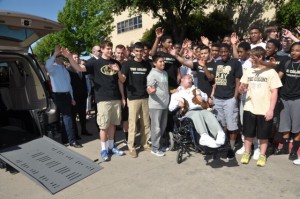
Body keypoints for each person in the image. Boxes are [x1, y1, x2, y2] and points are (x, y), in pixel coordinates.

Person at [62, 41, 125, 161]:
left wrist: (122, 96)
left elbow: (121, 81)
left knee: (113, 124)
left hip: (115, 98)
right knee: (103, 126)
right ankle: (104, 150)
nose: (110, 51)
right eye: (107, 48)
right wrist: (69, 57)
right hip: (103, 99)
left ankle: (112, 147)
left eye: (111, 48)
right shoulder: (95, 63)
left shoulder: (116, 63)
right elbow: (78, 68)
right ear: (102, 49)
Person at [239, 46, 282, 167]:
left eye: (253, 57)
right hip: (249, 107)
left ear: (260, 57)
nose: (251, 60)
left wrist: (271, 110)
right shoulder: (249, 71)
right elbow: (242, 88)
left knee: (263, 134)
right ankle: (247, 153)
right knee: (248, 133)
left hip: (264, 109)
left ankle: (262, 155)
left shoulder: (271, 72)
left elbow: (275, 92)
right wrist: (242, 89)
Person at [113, 42, 152, 158]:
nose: (139, 53)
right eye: (137, 51)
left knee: (146, 123)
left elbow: (150, 80)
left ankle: (145, 144)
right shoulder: (127, 64)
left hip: (145, 97)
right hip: (133, 98)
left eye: (141, 51)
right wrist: (118, 72)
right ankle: (131, 147)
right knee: (132, 124)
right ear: (133, 51)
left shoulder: (147, 65)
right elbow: (123, 80)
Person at [169, 75, 227, 149]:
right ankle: (204, 136)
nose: (191, 79)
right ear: (182, 79)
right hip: (188, 111)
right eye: (188, 78)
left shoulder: (195, 89)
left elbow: (205, 97)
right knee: (196, 114)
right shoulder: (177, 93)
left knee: (208, 113)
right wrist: (178, 104)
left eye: (191, 78)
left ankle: (219, 133)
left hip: (200, 109)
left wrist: (199, 94)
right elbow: (170, 108)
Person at [45, 45, 82, 148]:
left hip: (67, 96)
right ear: (55, 58)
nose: (60, 58)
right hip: (59, 96)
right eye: (58, 56)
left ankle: (66, 139)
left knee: (66, 118)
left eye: (61, 56)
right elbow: (47, 65)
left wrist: (72, 97)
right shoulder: (53, 68)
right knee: (68, 117)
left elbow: (68, 85)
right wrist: (55, 54)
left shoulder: (64, 69)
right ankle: (72, 140)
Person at [213, 43, 243, 151]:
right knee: (220, 124)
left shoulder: (235, 63)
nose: (223, 54)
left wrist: (235, 97)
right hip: (218, 98)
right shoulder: (217, 63)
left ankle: (231, 146)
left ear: (229, 52)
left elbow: (237, 80)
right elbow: (215, 80)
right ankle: (222, 144)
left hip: (230, 98)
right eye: (221, 52)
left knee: (232, 125)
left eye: (225, 51)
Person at [276, 42, 300, 163]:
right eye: (292, 50)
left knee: (297, 127)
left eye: (297, 50)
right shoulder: (286, 62)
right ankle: (285, 148)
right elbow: (278, 77)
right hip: (284, 98)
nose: (294, 52)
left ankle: (294, 150)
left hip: (298, 99)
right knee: (285, 125)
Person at [146, 55, 169, 156]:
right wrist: (150, 91)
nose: (163, 63)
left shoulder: (165, 73)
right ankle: (155, 148)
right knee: (156, 127)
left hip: (164, 104)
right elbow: (149, 88)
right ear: (155, 63)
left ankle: (159, 145)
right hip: (155, 105)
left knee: (162, 126)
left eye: (163, 61)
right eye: (160, 61)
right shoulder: (152, 74)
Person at [68, 53, 92, 139]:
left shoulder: (81, 69)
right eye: (74, 57)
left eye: (77, 57)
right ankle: (75, 134)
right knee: (74, 117)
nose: (76, 59)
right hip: (74, 97)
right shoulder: (68, 70)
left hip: (83, 96)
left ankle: (84, 130)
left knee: (82, 115)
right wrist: (71, 97)